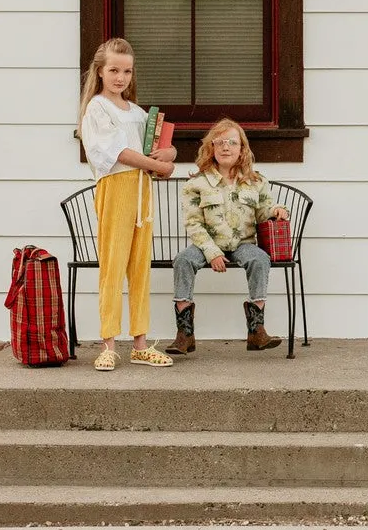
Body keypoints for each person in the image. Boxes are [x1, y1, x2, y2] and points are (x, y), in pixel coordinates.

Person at [77, 37, 178, 371]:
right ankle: (108, 343)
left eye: (127, 71)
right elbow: (117, 152)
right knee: (113, 264)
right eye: (114, 70)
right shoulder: (97, 108)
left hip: (141, 191)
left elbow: (156, 151)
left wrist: (169, 156)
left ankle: (139, 342)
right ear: (101, 72)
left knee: (139, 267)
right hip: (116, 188)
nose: (120, 77)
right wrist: (157, 165)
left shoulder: (136, 113)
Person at [169, 119, 290, 354]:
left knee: (259, 259)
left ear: (242, 149)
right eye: (220, 142)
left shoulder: (256, 182)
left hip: (243, 243)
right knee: (183, 260)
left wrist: (276, 211)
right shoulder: (197, 183)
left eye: (232, 142)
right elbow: (193, 223)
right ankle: (185, 333)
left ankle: (257, 330)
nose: (226, 147)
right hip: (206, 244)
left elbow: (263, 212)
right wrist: (212, 252)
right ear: (211, 148)